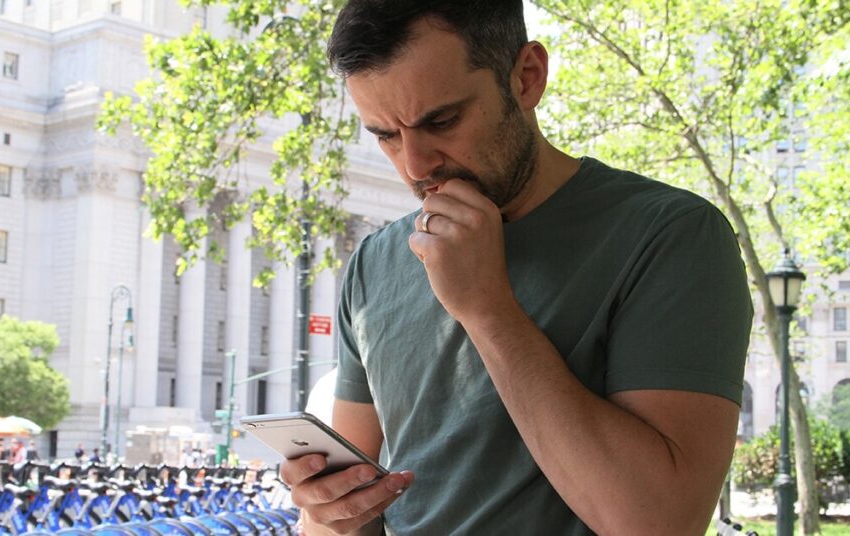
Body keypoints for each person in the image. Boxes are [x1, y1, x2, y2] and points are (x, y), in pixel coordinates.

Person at [280, 2, 753, 535]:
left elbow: (657, 523)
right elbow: (349, 516)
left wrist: (486, 308)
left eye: (441, 120)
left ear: (527, 77)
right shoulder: (375, 263)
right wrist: (328, 510)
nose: (415, 166)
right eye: (386, 135)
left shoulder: (672, 234)